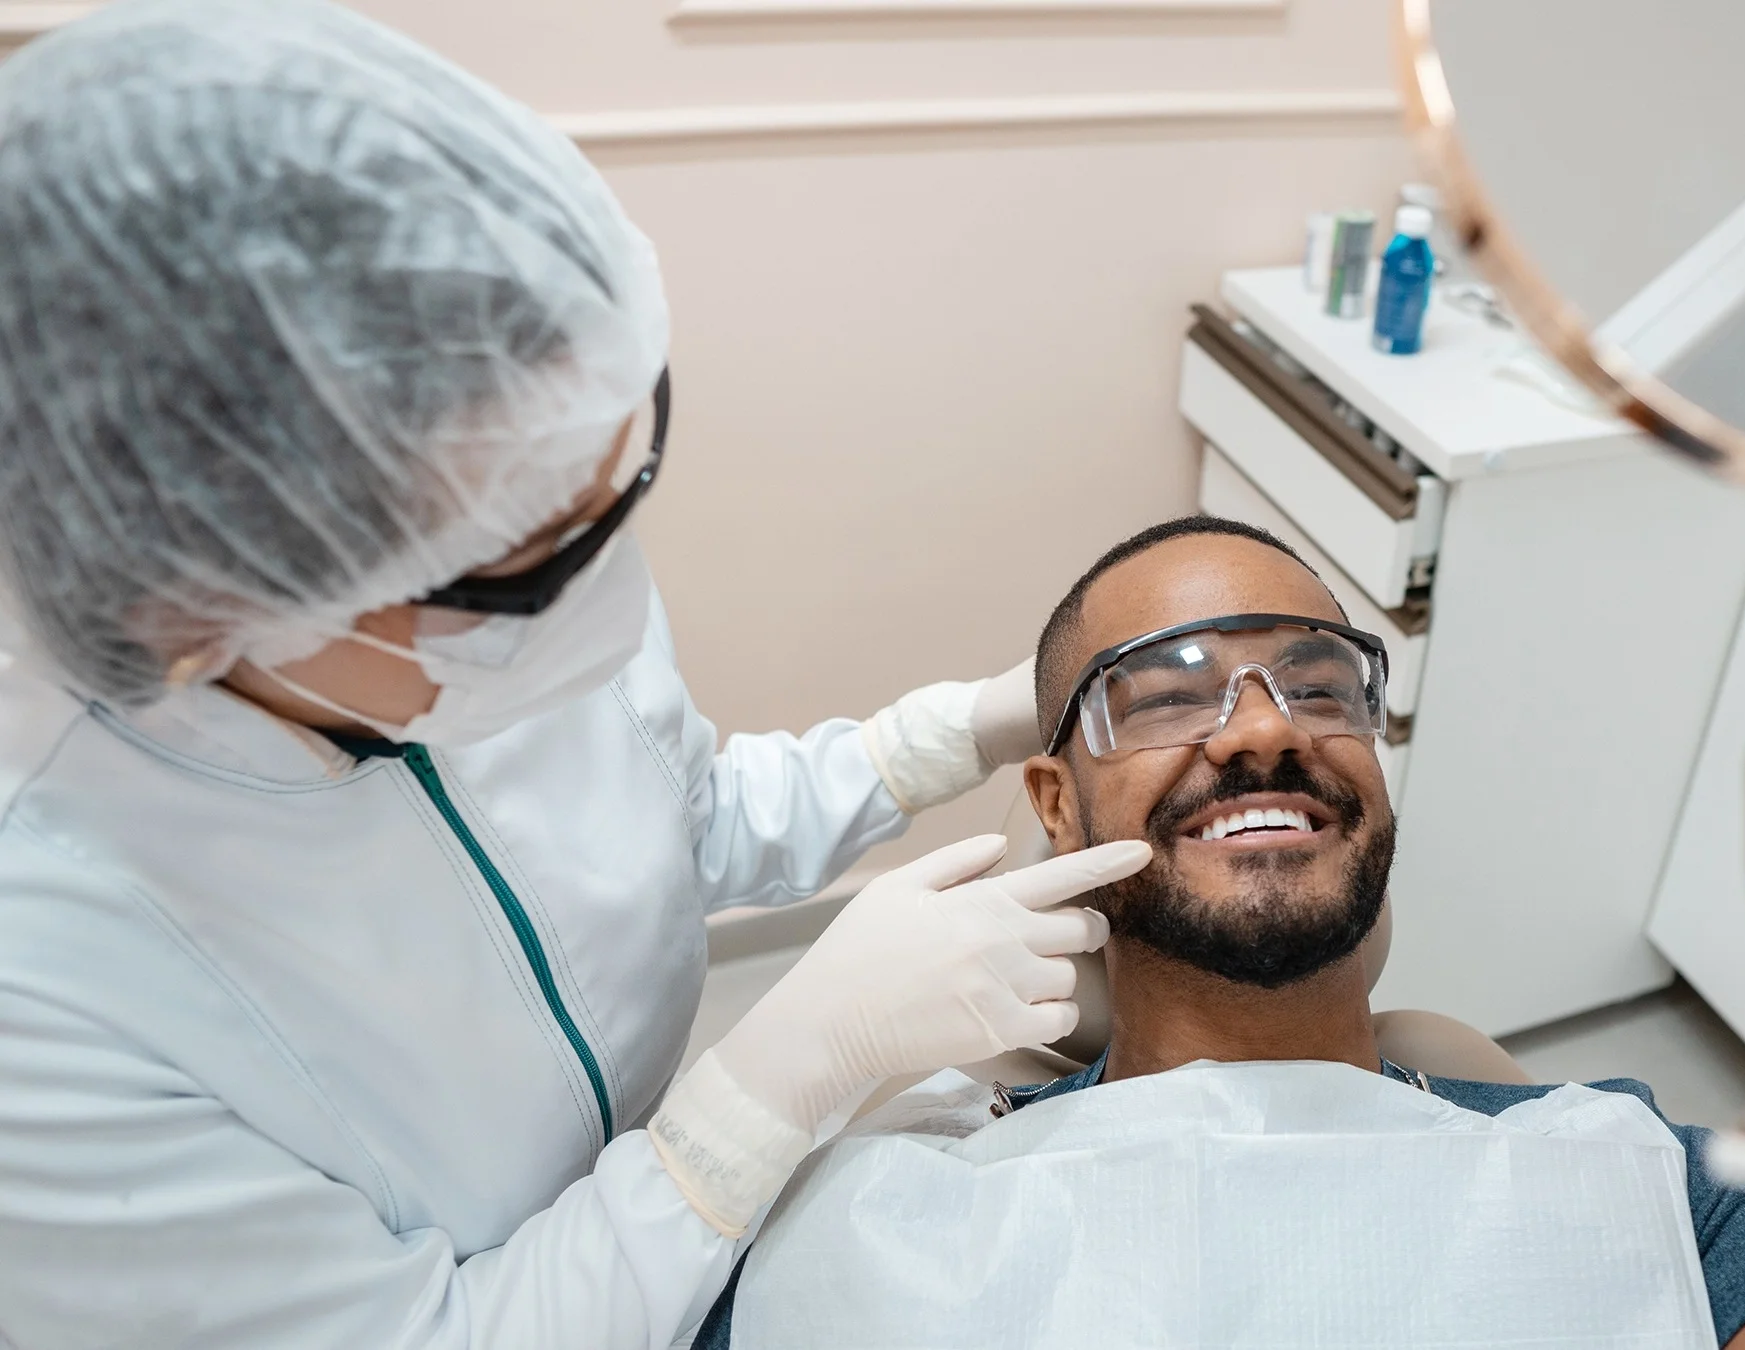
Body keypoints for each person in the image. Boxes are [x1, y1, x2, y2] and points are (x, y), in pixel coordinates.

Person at [0, 2, 1148, 1346]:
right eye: (538, 556)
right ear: (200, 599)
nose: (607, 586)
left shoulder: (483, 580)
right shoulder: (53, 992)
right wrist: (758, 1101)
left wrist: (960, 725)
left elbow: (677, 815)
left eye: (617, 487)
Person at [706, 508, 1745, 1350]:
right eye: (1165, 693)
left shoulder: (1654, 1178)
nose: (1259, 731)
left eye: (1319, 682)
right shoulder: (862, 1195)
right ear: (1053, 794)